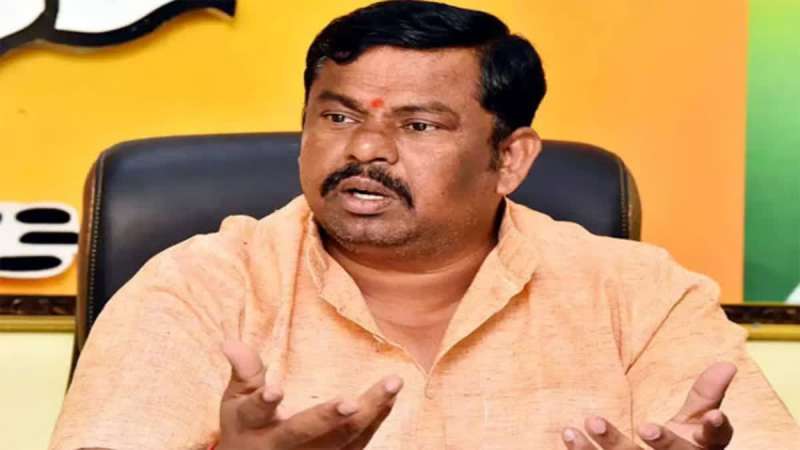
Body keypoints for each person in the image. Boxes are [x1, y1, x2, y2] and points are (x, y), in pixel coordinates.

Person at [49, 1, 800, 449]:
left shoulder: (639, 296)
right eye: (338, 116)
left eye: (418, 125)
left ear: (510, 158)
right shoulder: (197, 288)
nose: (365, 150)